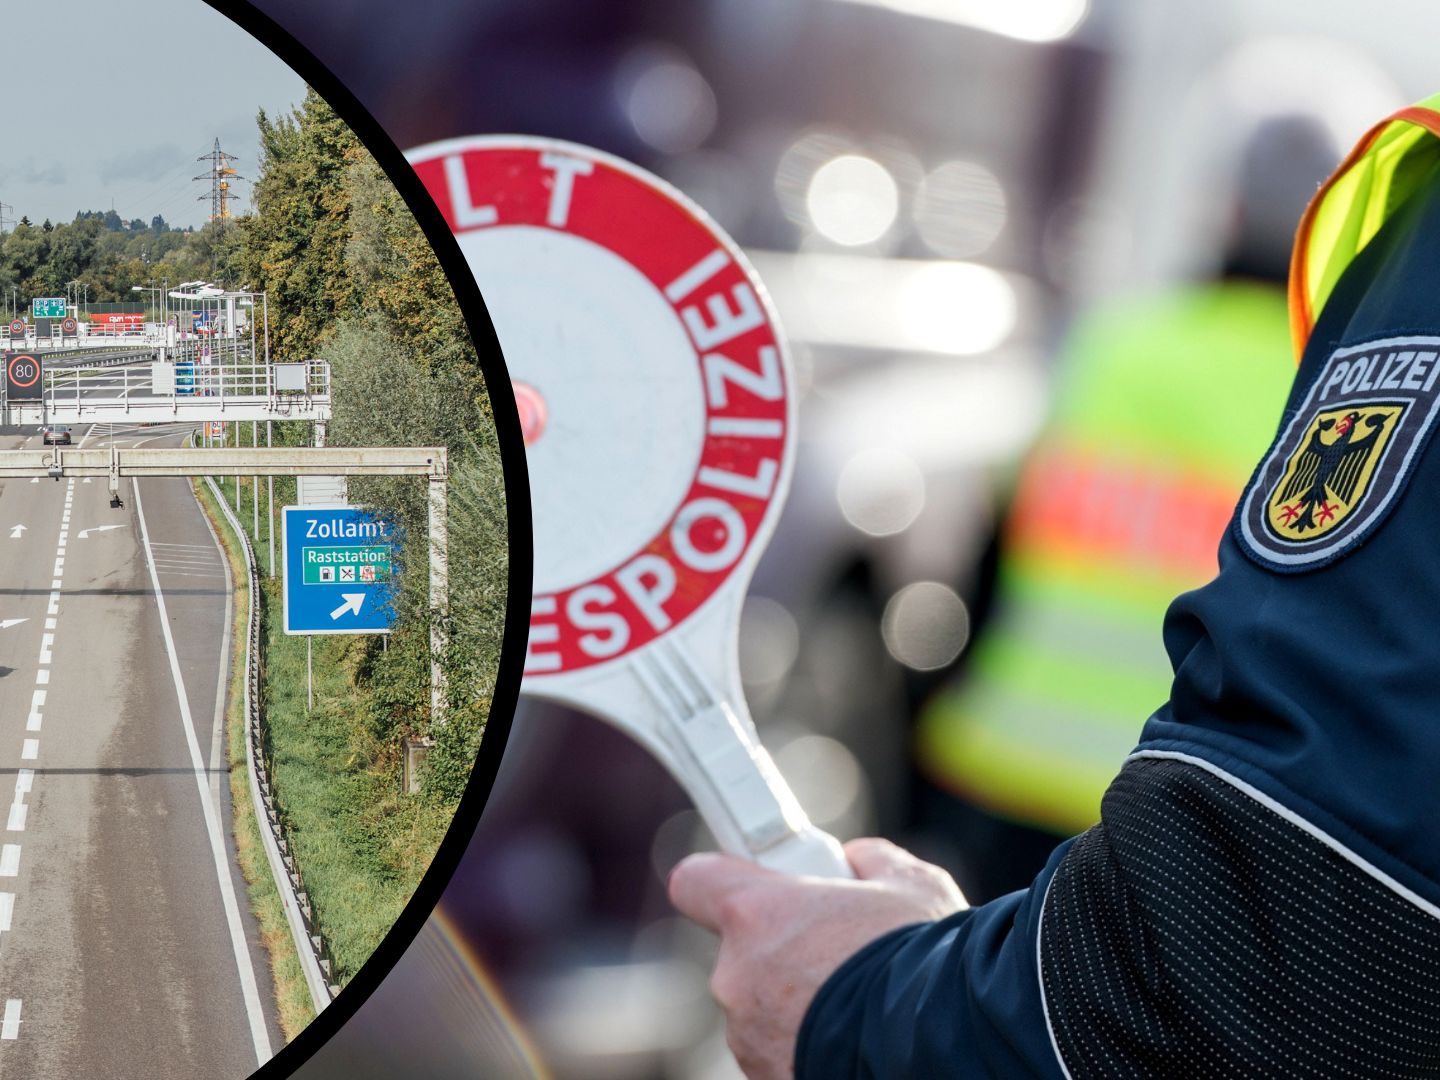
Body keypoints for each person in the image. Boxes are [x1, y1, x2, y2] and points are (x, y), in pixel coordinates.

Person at [670, 93, 1440, 1077]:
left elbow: (997, 559)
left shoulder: (1119, 345)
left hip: (1054, 815)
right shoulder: (1296, 379)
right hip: (1145, 828)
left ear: (1225, 212)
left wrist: (870, 999)